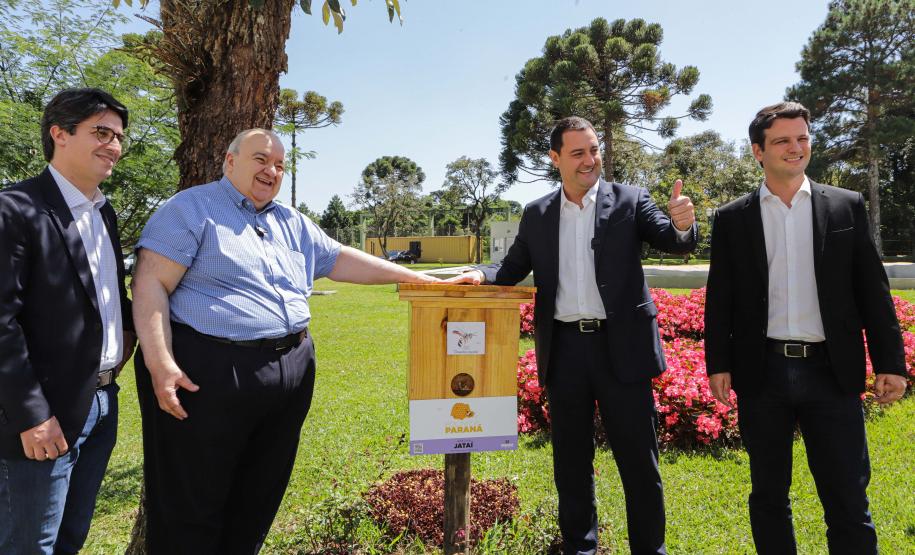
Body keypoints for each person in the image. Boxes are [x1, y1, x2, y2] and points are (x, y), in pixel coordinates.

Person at [131, 128, 459, 554]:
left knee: (258, 494)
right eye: (261, 159)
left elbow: (340, 258)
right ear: (230, 161)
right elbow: (150, 283)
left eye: (280, 165)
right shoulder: (191, 209)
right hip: (210, 370)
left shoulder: (291, 222)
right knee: (191, 501)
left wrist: (422, 280)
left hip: (289, 369)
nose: (272, 171)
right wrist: (160, 362)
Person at [464, 116, 697, 555]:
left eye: (593, 150)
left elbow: (674, 240)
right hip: (565, 351)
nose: (591, 160)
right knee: (570, 464)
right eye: (578, 153)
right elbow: (512, 268)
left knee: (639, 465)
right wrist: (479, 273)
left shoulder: (629, 200)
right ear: (555, 159)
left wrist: (683, 223)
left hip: (622, 350)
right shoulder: (538, 213)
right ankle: (580, 549)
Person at [704, 101, 907, 555]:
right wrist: (718, 361)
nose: (795, 148)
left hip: (832, 374)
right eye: (782, 141)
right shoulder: (733, 218)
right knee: (769, 496)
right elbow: (721, 298)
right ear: (758, 151)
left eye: (802, 138)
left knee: (848, 498)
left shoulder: (845, 206)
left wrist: (891, 362)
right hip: (764, 375)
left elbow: (872, 292)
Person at [0, 88, 136, 554]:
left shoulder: (104, 212)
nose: (113, 146)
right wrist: (32, 415)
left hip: (102, 404)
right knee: (29, 544)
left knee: (70, 538)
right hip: (44, 417)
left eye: (119, 137)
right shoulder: (15, 209)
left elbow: (111, 296)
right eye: (101, 132)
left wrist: (128, 343)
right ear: (59, 133)